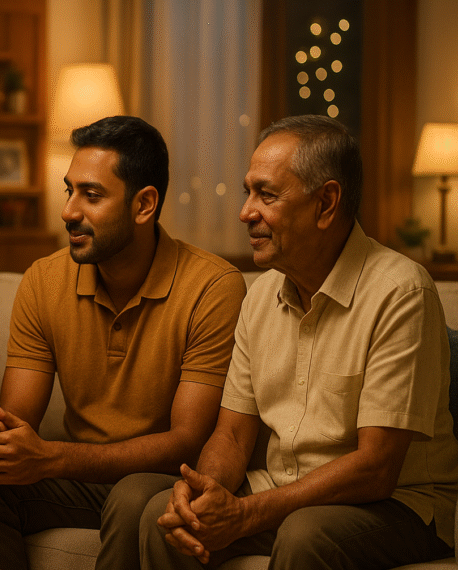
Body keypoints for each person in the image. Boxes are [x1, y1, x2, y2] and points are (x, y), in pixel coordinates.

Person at [142, 114, 458, 570]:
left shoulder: (402, 292)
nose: (245, 211)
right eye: (248, 191)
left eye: (266, 195)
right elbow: (232, 434)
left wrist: (246, 514)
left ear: (326, 203)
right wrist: (206, 491)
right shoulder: (260, 296)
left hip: (400, 504)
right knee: (165, 517)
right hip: (284, 489)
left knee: (306, 535)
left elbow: (376, 469)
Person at [0, 115, 247, 570]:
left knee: (129, 496)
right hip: (81, 480)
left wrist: (52, 458)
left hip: (159, 481)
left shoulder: (212, 287)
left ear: (144, 205)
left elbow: (187, 442)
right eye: (70, 191)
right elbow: (17, 418)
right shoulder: (44, 280)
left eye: (92, 195)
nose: (68, 212)